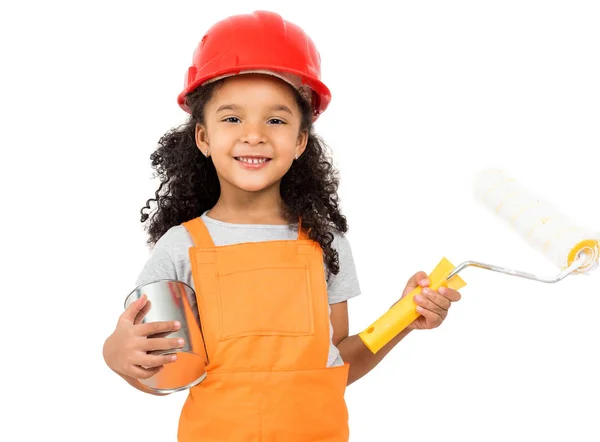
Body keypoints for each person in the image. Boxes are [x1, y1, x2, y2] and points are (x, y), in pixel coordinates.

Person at [102, 9, 462, 441]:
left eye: (275, 120)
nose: (254, 135)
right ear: (202, 136)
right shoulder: (181, 248)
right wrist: (116, 355)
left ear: (299, 140)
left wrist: (405, 317)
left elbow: (335, 366)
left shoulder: (324, 243)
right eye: (232, 118)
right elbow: (158, 372)